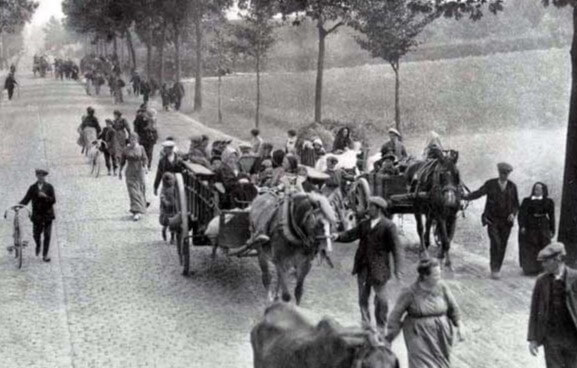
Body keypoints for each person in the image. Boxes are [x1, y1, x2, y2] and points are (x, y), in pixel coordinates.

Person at [335, 197, 402, 333]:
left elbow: (397, 249)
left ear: (379, 210)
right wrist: (336, 236)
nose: (368, 209)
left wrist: (398, 269)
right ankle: (366, 328)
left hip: (379, 269)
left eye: (371, 207)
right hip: (363, 267)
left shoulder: (388, 226)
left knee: (381, 301)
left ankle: (381, 328)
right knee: (362, 299)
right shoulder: (364, 224)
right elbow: (350, 235)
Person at [386, 258, 465, 368]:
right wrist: (390, 336)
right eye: (436, 275)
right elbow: (395, 316)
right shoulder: (410, 292)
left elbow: (453, 308)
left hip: (441, 335)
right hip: (418, 335)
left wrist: (460, 325)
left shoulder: (442, 287)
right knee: (421, 365)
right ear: (425, 276)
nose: (440, 277)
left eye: (440, 273)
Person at [464, 162, 520, 279]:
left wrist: (513, 214)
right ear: (498, 172)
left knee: (503, 244)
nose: (504, 175)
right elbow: (479, 193)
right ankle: (494, 269)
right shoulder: (490, 184)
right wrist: (465, 197)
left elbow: (516, 204)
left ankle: (497, 269)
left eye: (506, 173)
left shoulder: (512, 186)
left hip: (506, 222)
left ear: (509, 174)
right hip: (492, 219)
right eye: (502, 173)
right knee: (495, 243)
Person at [528, 242, 577, 368]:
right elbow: (534, 310)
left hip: (573, 337)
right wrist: (533, 338)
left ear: (558, 259)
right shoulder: (541, 281)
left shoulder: (575, 278)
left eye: (546, 261)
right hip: (551, 337)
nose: (543, 264)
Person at [518, 182, 555, 275]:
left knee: (543, 245)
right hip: (530, 225)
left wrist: (552, 230)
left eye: (538, 189)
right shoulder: (527, 200)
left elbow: (552, 216)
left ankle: (542, 269)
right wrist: (522, 226)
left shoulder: (549, 201)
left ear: (543, 191)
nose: (536, 191)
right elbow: (521, 215)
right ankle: (530, 269)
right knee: (530, 246)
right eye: (535, 189)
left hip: (543, 225)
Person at [19, 169, 56, 262]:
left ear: (45, 177)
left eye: (42, 176)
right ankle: (38, 245)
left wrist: (46, 197)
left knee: (47, 235)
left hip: (48, 214)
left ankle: (45, 255)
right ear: (36, 176)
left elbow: (53, 200)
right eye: (39, 175)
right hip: (37, 215)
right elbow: (26, 199)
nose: (41, 177)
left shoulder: (49, 187)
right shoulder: (32, 188)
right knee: (36, 235)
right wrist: (18, 206)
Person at [119, 133, 149, 221]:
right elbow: (122, 161)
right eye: (131, 139)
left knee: (141, 189)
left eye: (134, 139)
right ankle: (136, 212)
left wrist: (146, 167)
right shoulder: (126, 149)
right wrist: (120, 171)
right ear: (129, 140)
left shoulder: (141, 148)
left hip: (140, 171)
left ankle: (142, 206)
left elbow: (145, 158)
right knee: (133, 192)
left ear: (137, 140)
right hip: (130, 172)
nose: (132, 141)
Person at [159, 172, 177, 243]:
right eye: (170, 180)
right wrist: (165, 202)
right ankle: (164, 231)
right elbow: (162, 196)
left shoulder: (174, 188)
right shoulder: (164, 189)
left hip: (174, 208)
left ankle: (172, 238)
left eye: (172, 179)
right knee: (166, 222)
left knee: (173, 223)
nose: (171, 181)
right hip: (166, 209)